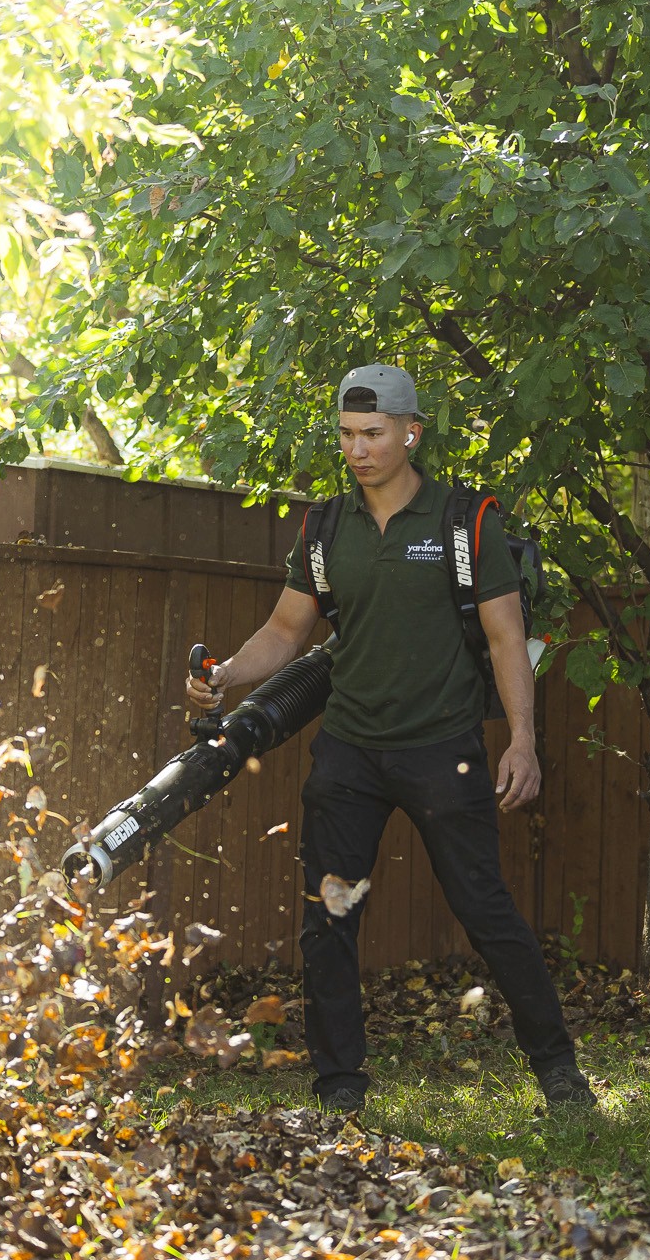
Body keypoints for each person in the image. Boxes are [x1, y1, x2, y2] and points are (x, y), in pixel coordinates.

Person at [183, 365, 596, 1120]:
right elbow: (285, 631)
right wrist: (227, 676)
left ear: (411, 432)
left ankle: (558, 1068)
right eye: (347, 435)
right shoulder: (326, 527)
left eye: (373, 434)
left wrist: (525, 743)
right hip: (349, 754)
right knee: (329, 918)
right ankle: (339, 1087)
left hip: (444, 751)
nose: (359, 449)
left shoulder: (464, 523)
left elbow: (507, 641)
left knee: (486, 911)